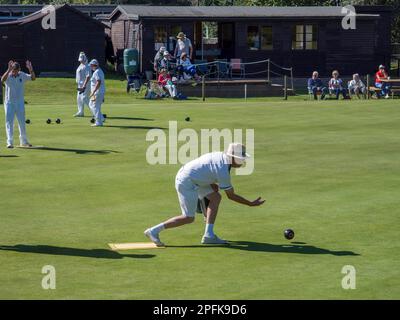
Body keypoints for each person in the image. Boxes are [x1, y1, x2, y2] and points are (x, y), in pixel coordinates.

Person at [144, 143, 265, 246]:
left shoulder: (220, 157)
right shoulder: (223, 171)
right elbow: (231, 195)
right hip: (186, 182)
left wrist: (210, 182)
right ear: (232, 158)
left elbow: (205, 168)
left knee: (215, 197)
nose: (242, 160)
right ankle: (153, 231)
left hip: (193, 177)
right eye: (240, 158)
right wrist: (250, 203)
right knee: (188, 218)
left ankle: (209, 235)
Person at [1, 60, 35, 148]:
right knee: (9, 123)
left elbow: (33, 78)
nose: (14, 71)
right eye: (13, 70)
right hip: (9, 103)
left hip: (20, 102)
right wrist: (8, 70)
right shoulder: (8, 75)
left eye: (15, 70)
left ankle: (24, 141)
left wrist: (30, 69)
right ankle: (10, 142)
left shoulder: (22, 75)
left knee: (22, 122)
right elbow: (2, 80)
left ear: (19, 69)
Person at [86, 59, 105, 127]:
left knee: (94, 106)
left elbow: (99, 81)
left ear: (94, 65)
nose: (91, 67)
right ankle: (101, 118)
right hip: (99, 92)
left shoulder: (97, 72)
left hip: (96, 92)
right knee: (94, 106)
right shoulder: (100, 71)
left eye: (91, 66)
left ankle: (99, 122)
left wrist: (93, 91)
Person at [74, 52, 91, 117]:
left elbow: (88, 76)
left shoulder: (87, 66)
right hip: (80, 85)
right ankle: (80, 112)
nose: (81, 61)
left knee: (85, 98)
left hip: (85, 85)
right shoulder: (80, 65)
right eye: (80, 60)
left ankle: (95, 111)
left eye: (82, 59)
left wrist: (84, 85)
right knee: (79, 98)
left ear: (85, 59)